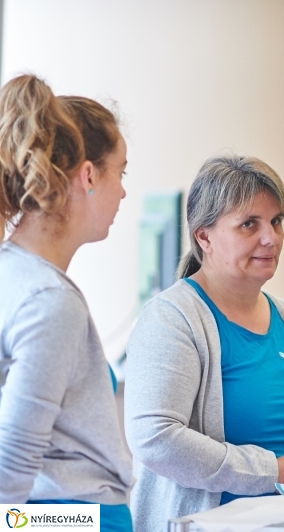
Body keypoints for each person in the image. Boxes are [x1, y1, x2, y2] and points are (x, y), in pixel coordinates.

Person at [124, 155, 284, 531]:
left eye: (276, 221)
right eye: (250, 224)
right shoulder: (172, 318)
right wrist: (274, 469)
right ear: (204, 236)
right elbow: (155, 439)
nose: (271, 237)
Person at [0, 75, 134, 530]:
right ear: (89, 175)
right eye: (122, 172)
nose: (123, 191)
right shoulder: (50, 302)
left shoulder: (12, 274)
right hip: (78, 516)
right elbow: (9, 476)